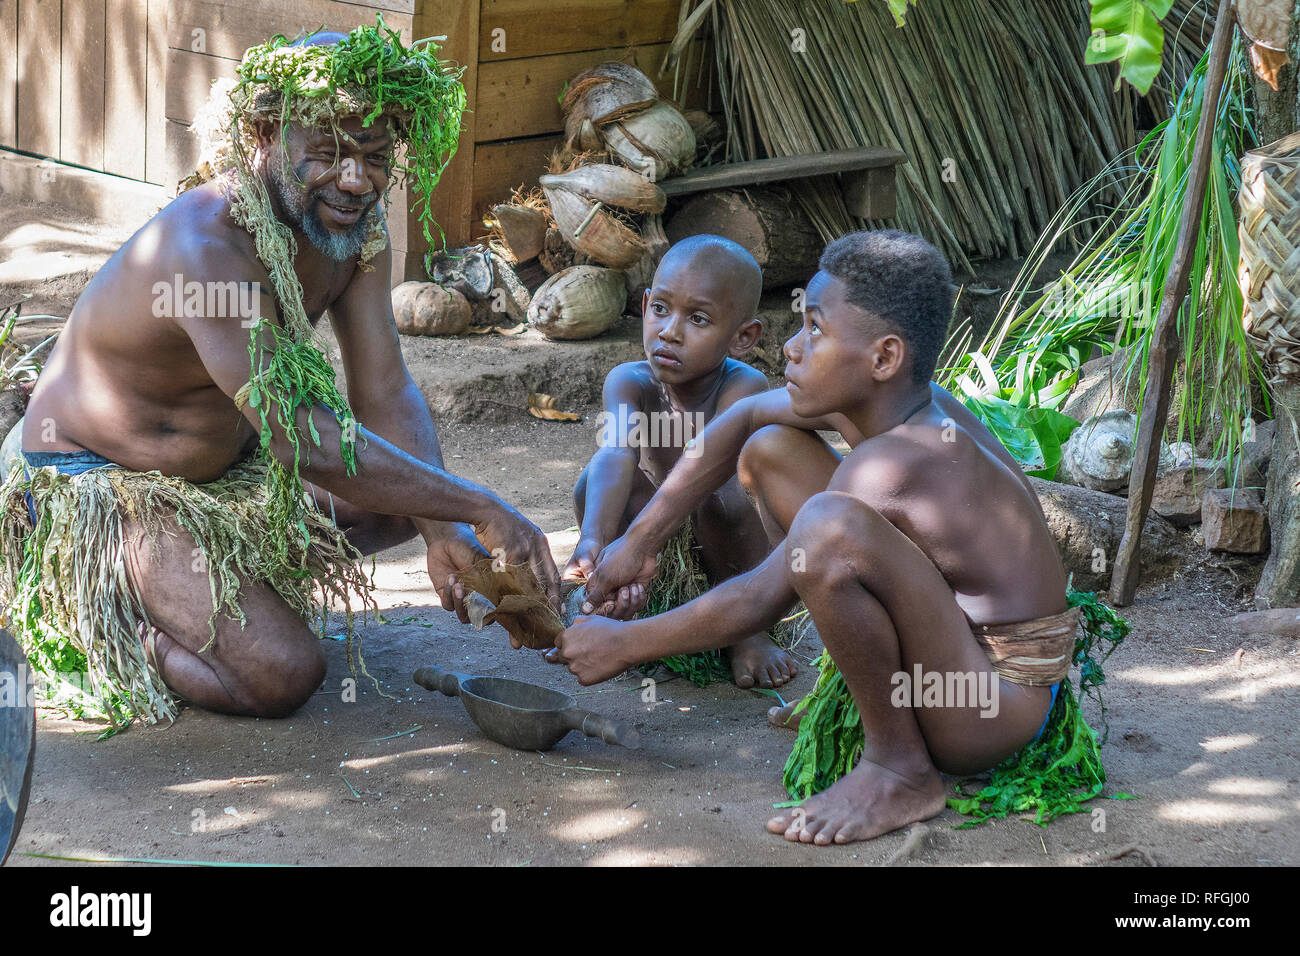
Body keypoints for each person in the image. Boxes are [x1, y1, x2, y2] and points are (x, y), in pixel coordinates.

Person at [0, 24, 558, 726]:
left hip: (217, 480)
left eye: (375, 158)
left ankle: (208, 588)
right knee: (282, 673)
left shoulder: (351, 230)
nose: (355, 181)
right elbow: (302, 439)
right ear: (264, 133)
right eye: (326, 154)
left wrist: (444, 531)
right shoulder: (207, 250)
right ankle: (96, 616)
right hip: (96, 485)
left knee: (410, 497)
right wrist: (479, 506)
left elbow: (384, 392)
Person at [555, 230, 1074, 845]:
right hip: (957, 650)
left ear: (883, 358)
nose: (791, 348)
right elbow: (744, 417)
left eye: (815, 331)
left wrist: (623, 644)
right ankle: (872, 701)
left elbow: (762, 596)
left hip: (990, 705)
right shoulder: (905, 399)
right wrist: (642, 540)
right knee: (769, 446)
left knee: (828, 530)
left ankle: (899, 770)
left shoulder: (897, 463)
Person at [561, 235, 796, 688]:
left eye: (699, 318)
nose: (670, 331)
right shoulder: (629, 381)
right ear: (645, 304)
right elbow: (615, 452)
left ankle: (745, 629)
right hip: (655, 555)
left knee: (724, 497)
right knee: (593, 478)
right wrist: (592, 539)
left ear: (743, 337)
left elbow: (707, 468)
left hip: (728, 548)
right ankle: (612, 588)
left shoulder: (742, 386)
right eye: (662, 309)